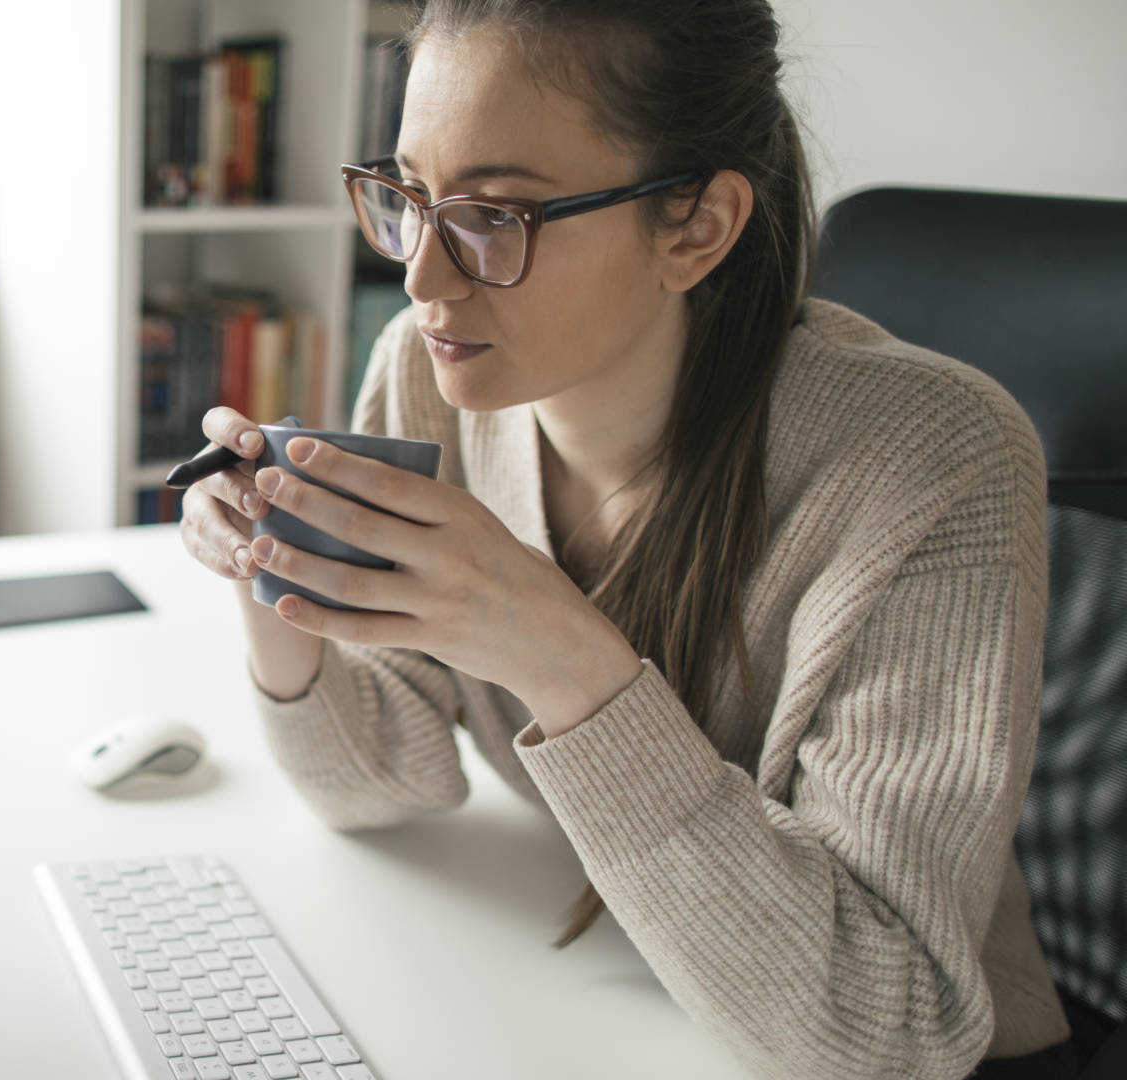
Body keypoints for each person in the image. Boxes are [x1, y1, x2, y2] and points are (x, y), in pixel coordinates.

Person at [175, 1, 1075, 1077]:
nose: (422, 278)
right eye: (407, 196)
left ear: (695, 226)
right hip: (615, 989)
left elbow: (881, 1031)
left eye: (496, 216)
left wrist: (555, 651)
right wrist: (268, 563)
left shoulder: (938, 460)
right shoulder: (427, 368)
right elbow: (376, 783)